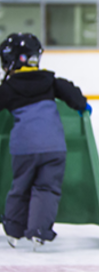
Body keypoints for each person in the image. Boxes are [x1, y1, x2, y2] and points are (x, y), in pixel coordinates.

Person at [0, 33, 90, 250]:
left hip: (24, 148)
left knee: (20, 187)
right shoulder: (50, 81)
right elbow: (72, 93)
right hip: (54, 148)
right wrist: (82, 106)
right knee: (46, 189)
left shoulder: (9, 88)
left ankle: (13, 231)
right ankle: (39, 232)